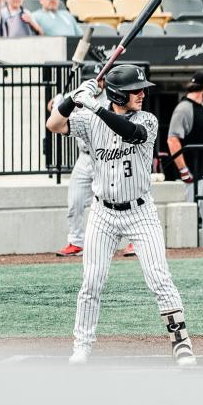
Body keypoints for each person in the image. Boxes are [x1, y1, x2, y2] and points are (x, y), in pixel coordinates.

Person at [46, 65, 196, 366]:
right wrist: (73, 100)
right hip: (103, 212)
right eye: (135, 90)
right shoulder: (88, 119)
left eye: (142, 89)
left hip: (140, 212)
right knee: (92, 281)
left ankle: (181, 344)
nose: (142, 93)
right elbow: (53, 124)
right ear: (117, 93)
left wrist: (93, 107)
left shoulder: (147, 120)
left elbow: (130, 132)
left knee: (159, 278)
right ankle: (82, 346)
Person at [55, 62, 135, 258]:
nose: (98, 82)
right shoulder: (78, 95)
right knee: (75, 201)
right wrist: (60, 104)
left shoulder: (111, 99)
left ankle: (134, 241)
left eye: (100, 79)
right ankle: (76, 242)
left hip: (107, 156)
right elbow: (57, 120)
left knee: (124, 197)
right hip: (84, 158)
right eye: (95, 78)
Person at [167, 72, 203, 247]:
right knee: (187, 218)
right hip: (191, 174)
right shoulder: (184, 108)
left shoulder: (201, 108)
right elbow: (172, 139)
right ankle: (187, 253)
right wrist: (183, 170)